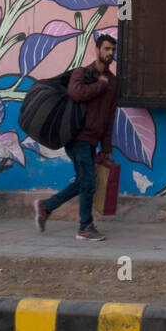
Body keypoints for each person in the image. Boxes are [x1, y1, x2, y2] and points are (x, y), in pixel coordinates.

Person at [34, 34, 118, 242]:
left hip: (93, 140)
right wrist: (100, 85)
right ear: (97, 50)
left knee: (84, 181)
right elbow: (76, 93)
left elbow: (109, 115)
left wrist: (106, 146)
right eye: (106, 49)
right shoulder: (82, 73)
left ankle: (46, 206)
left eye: (112, 50)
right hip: (77, 137)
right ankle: (85, 227)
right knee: (88, 182)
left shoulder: (113, 82)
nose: (109, 53)